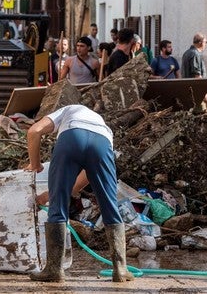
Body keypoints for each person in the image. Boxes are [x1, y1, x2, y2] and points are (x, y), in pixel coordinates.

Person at [25, 105, 134, 283]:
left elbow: (34, 131)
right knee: (109, 204)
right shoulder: (103, 127)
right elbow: (86, 177)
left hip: (71, 138)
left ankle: (54, 270)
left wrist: (35, 164)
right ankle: (120, 269)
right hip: (102, 144)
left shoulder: (67, 110)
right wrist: (51, 193)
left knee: (58, 206)